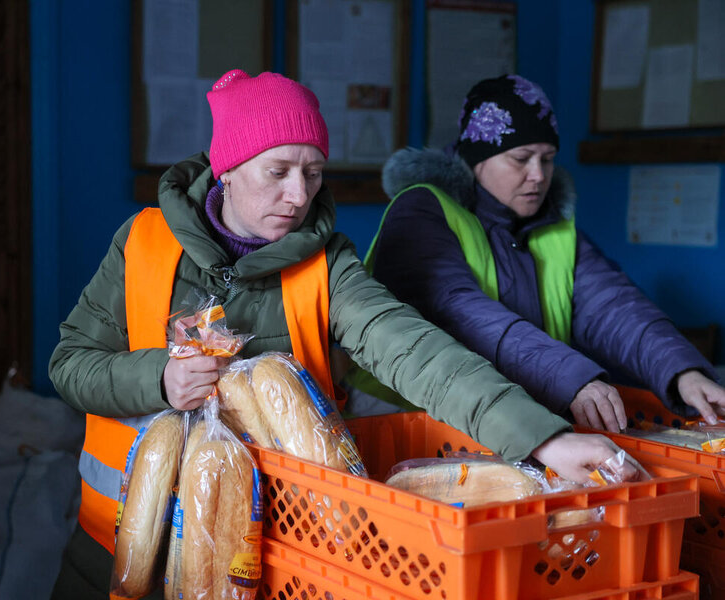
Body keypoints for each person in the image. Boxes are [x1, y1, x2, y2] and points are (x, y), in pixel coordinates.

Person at [48, 69, 642, 599]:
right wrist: (157, 376)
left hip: (272, 560)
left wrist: (542, 439)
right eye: (277, 172)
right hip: (117, 550)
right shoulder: (144, 242)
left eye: (313, 173)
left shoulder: (326, 262)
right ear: (226, 169)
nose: (299, 195)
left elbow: (414, 350)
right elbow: (70, 363)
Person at [362, 73, 724, 433]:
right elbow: (461, 315)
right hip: (402, 418)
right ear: (476, 159)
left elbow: (612, 307)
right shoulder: (421, 213)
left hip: (511, 418)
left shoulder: (554, 227)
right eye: (521, 158)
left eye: (547, 159)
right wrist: (569, 378)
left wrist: (681, 371)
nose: (538, 175)